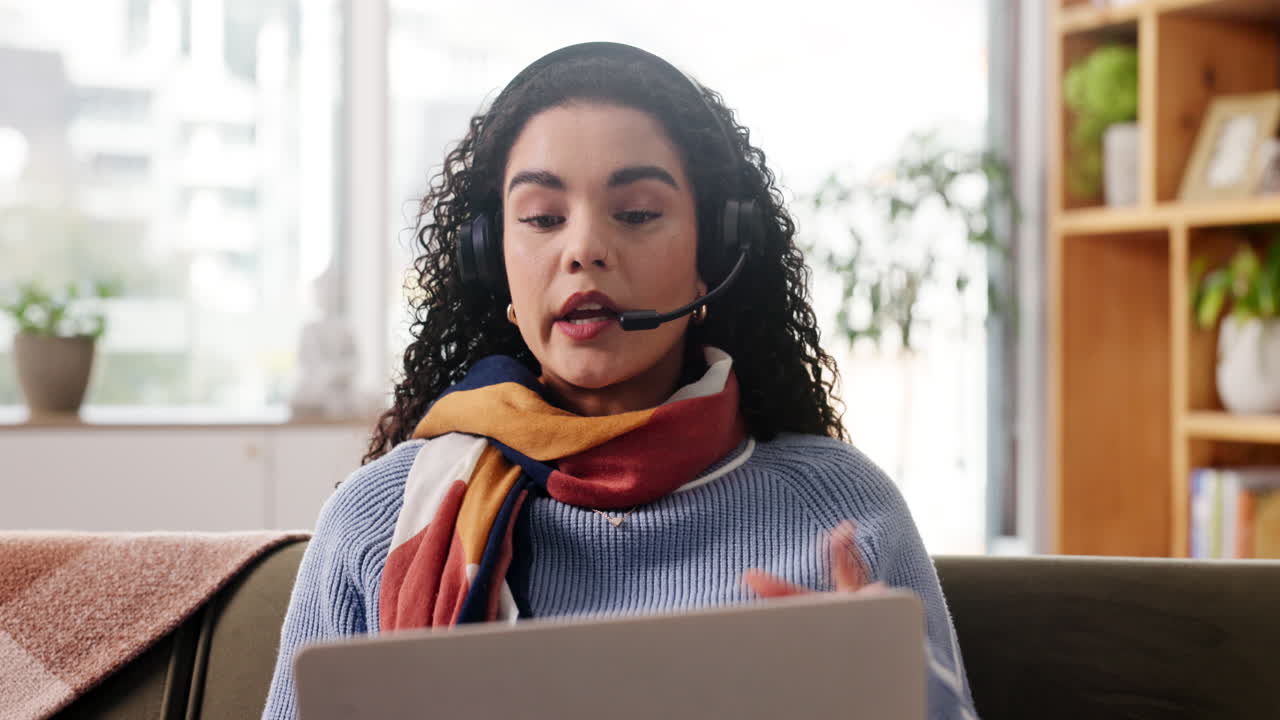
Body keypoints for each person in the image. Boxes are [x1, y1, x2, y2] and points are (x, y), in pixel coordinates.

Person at [263, 42, 978, 720]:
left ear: (714, 255)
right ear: (493, 262)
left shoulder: (842, 507)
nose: (583, 251)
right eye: (542, 218)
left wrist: (897, 696)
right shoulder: (376, 518)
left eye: (636, 214)